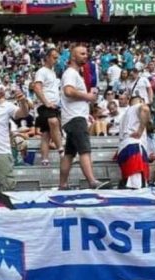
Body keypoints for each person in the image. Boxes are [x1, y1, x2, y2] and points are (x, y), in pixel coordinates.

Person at [59, 45, 108, 190]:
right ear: (73, 57)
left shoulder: (74, 74)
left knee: (69, 154)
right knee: (84, 150)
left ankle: (62, 184)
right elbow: (68, 91)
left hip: (71, 118)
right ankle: (93, 182)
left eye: (86, 53)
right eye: (82, 53)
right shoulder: (70, 73)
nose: (86, 56)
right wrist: (88, 96)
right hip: (76, 118)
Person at [33, 48, 63, 166]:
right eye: (54, 57)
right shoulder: (42, 71)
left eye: (57, 58)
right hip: (46, 105)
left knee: (46, 134)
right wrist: (46, 102)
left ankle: (45, 160)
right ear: (47, 57)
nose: (56, 60)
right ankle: (61, 150)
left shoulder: (53, 72)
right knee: (54, 122)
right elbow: (37, 87)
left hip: (54, 105)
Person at [116, 96, 151, 189]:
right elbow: (145, 109)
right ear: (141, 101)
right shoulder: (139, 106)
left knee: (127, 182)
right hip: (134, 147)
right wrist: (140, 130)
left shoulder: (124, 115)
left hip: (124, 147)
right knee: (137, 186)